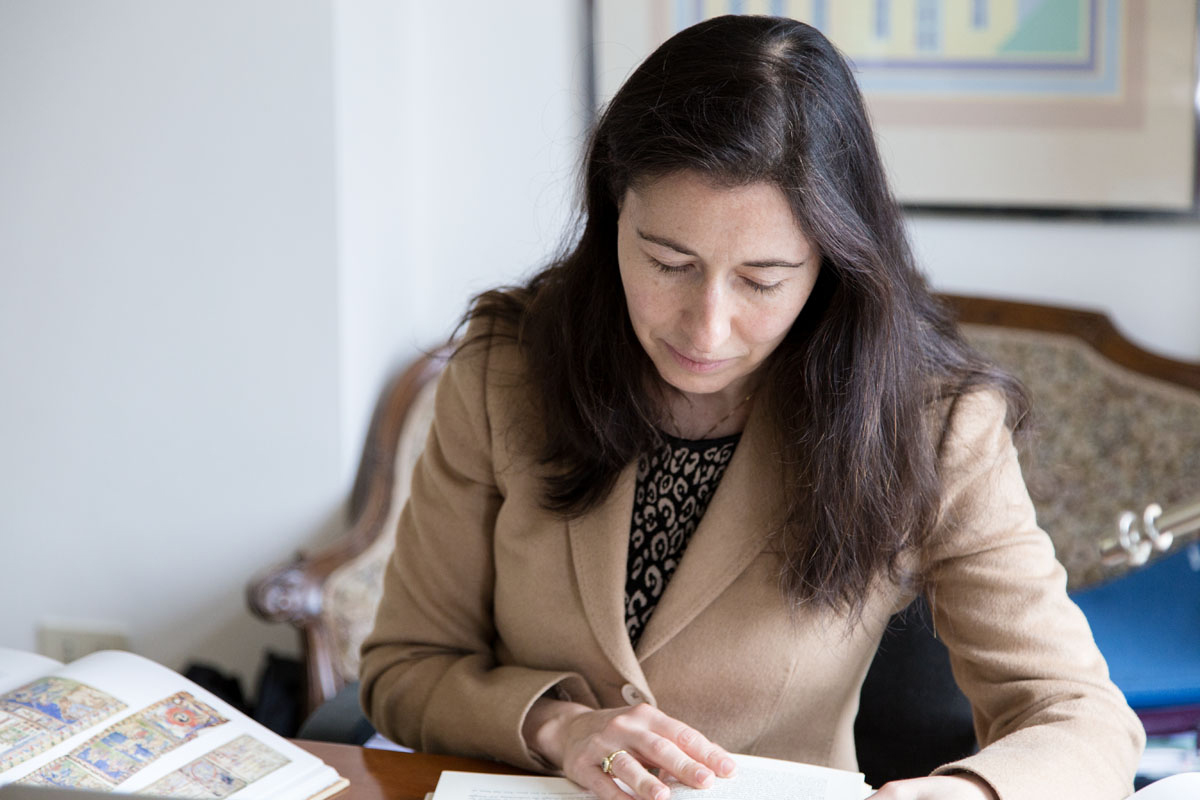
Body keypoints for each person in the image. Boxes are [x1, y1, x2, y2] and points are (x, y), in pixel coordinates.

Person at [359, 15, 1144, 800]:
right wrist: (555, 727)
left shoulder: (932, 425)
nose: (706, 327)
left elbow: (1082, 718)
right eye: (669, 262)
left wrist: (970, 793)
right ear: (612, 215)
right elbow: (404, 668)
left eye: (763, 279)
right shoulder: (508, 369)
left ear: (833, 264)